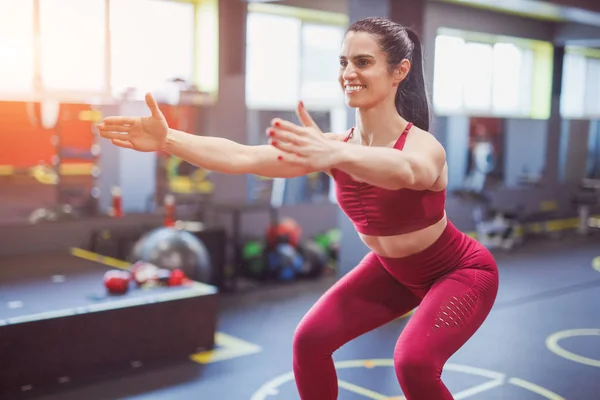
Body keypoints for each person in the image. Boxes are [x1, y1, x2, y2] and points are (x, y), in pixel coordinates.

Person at [98, 16, 499, 400]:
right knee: (310, 342)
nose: (349, 73)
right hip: (390, 270)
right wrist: (169, 139)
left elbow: (406, 172)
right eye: (344, 62)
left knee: (413, 363)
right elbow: (243, 157)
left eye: (363, 62)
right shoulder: (332, 146)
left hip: (459, 272)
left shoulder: (421, 146)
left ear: (399, 71)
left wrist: (336, 153)